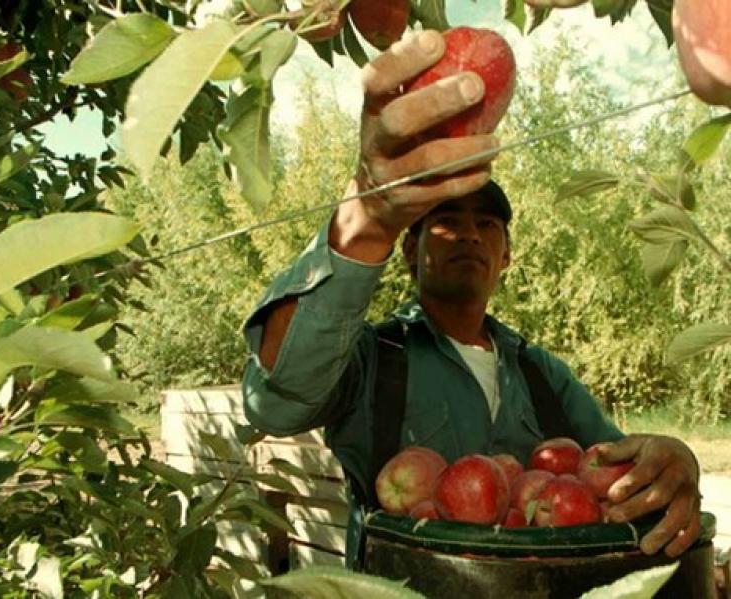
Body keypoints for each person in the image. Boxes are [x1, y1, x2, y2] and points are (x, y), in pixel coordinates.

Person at [241, 30, 701, 567]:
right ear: (409, 250)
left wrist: (674, 461)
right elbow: (274, 403)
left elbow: (615, 471)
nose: (468, 235)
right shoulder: (373, 359)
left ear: (506, 257)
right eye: (446, 222)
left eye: (486, 224)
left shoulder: (542, 374)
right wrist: (368, 220)